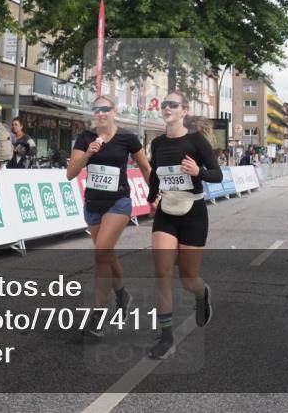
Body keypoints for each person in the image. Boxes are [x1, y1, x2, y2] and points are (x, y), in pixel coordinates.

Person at [146, 93, 223, 360]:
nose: (167, 108)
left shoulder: (195, 141)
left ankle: (202, 294)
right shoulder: (156, 144)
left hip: (193, 212)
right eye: (164, 104)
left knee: (188, 278)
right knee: (162, 272)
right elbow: (155, 176)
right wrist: (150, 199)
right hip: (167, 212)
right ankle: (166, 338)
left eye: (173, 105)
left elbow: (217, 174)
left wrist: (197, 172)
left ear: (183, 111)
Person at [68, 96, 151, 339]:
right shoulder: (85, 138)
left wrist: (156, 195)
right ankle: (123, 295)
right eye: (97, 109)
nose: (101, 113)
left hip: (119, 202)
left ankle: (98, 315)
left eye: (105, 109)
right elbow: (70, 173)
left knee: (101, 252)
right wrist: (88, 154)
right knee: (107, 254)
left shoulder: (128, 138)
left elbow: (145, 168)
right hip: (93, 205)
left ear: (114, 111)